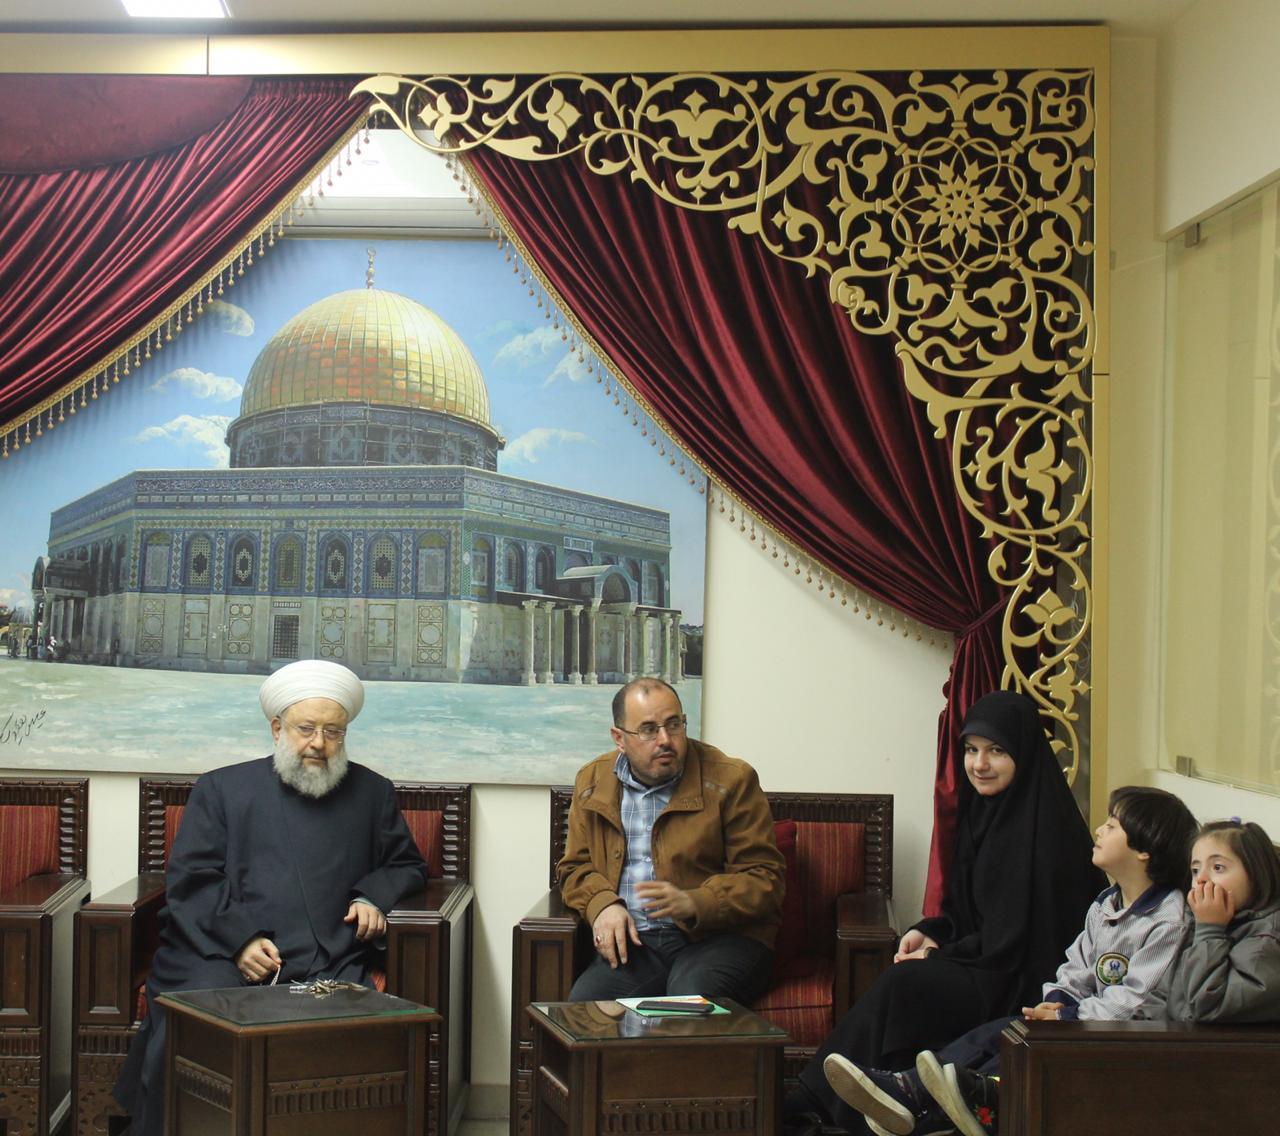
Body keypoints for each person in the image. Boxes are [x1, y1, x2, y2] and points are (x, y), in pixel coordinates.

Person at [113, 659, 428, 1136]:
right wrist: (240, 940)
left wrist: (371, 897)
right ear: (277, 728)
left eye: (333, 732)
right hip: (219, 950)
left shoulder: (372, 792)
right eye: (306, 729)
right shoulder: (222, 788)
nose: (319, 743)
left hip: (329, 955)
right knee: (196, 1019)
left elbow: (406, 865)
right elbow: (193, 879)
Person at [785, 690, 1105, 1135]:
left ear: (1023, 752)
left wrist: (937, 957)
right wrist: (932, 931)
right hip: (990, 963)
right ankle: (848, 1105)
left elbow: (1010, 943)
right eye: (971, 750)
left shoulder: (1047, 835)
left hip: (1025, 981)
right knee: (907, 979)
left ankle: (817, 1102)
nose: (980, 764)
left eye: (996, 751)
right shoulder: (985, 813)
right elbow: (968, 912)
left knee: (906, 983)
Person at [824, 784, 1199, 1136]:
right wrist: (1059, 1001)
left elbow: (1134, 1002)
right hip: (1088, 1024)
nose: (1099, 830)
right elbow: (1077, 967)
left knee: (1019, 1044)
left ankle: (924, 1104)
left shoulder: (1167, 919)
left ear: (1144, 848)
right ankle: (914, 1092)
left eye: (1112, 825)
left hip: (1130, 1039)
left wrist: (1068, 1017)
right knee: (1002, 1032)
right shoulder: (1106, 904)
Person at [559, 676, 785, 1004]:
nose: (665, 739)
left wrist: (697, 901)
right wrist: (602, 904)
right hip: (637, 945)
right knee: (586, 1008)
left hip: (720, 939)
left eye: (674, 724)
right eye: (649, 729)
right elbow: (575, 868)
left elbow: (765, 878)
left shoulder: (732, 779)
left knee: (688, 1000)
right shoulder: (593, 781)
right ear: (619, 738)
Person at [1167, 818, 1280, 1023]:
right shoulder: (1201, 922)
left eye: (1218, 867)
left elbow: (1210, 1006)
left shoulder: (1268, 939)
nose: (1201, 879)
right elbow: (1164, 997)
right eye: (1195, 870)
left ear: (1256, 874)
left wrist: (1210, 930)